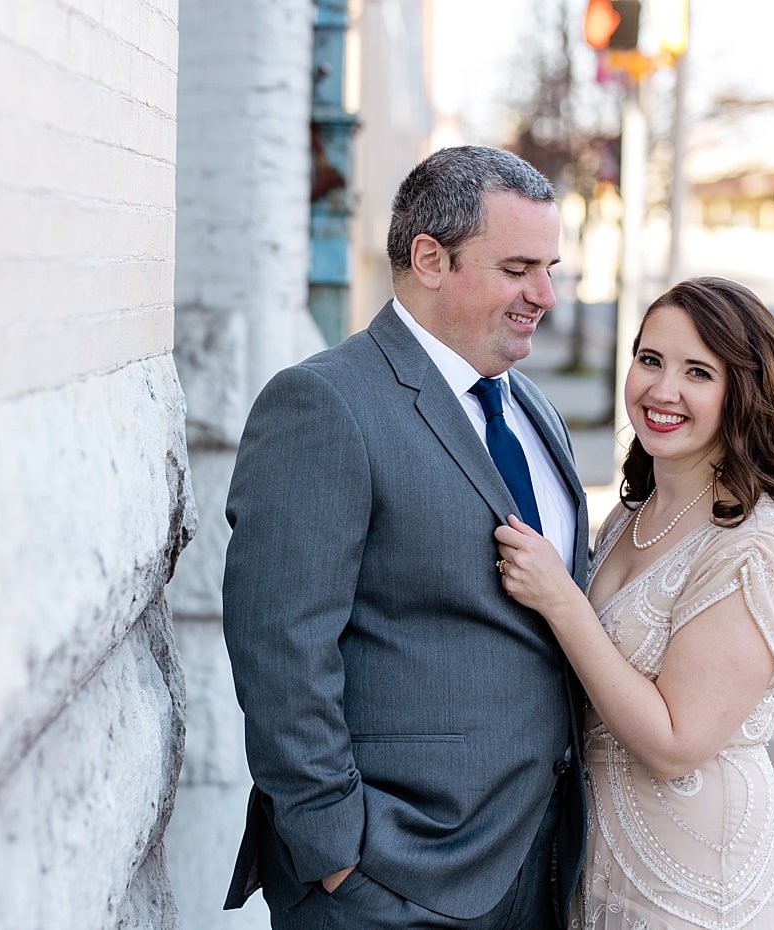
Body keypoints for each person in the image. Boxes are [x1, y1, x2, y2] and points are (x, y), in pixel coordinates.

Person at [221, 145, 592, 929]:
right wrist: (335, 853)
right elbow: (280, 645)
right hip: (389, 878)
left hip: (538, 863)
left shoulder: (532, 410)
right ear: (430, 258)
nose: (545, 295)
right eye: (518, 268)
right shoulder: (324, 404)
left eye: (550, 267)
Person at [493, 276, 774, 929]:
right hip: (606, 879)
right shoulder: (631, 515)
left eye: (697, 372)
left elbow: (677, 742)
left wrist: (561, 601)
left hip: (704, 895)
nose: (661, 390)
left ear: (744, 394)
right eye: (650, 360)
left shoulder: (754, 547)